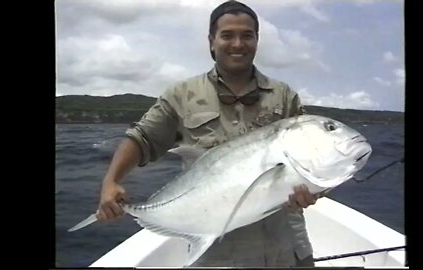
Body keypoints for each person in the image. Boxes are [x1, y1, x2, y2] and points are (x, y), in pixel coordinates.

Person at [96, 0, 320, 267]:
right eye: (227, 35)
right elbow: (141, 138)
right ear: (211, 41)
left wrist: (314, 192)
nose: (237, 44)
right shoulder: (181, 95)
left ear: (257, 40)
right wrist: (111, 182)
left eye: (247, 35)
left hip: (284, 247)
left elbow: (312, 159)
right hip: (215, 252)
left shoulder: (284, 96)